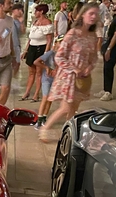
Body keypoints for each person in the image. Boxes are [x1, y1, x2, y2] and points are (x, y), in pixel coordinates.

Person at [39, 3, 98, 142]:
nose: (94, 17)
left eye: (96, 14)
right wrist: (74, 69)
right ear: (83, 14)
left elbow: (94, 56)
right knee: (66, 107)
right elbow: (59, 56)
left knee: (73, 109)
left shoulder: (92, 36)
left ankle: (68, 134)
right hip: (68, 77)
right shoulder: (72, 34)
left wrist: (89, 67)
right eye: (91, 13)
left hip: (83, 78)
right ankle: (45, 129)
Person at [95, 0, 116, 101]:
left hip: (113, 48)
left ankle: (108, 92)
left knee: (109, 69)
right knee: (106, 68)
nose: (113, 5)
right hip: (109, 45)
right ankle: (105, 89)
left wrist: (109, 49)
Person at [20, 4, 53, 102]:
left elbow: (49, 40)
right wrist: (26, 50)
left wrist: (45, 54)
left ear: (41, 12)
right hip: (32, 48)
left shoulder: (47, 23)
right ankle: (27, 92)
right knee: (31, 72)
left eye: (36, 11)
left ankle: (36, 94)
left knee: (39, 72)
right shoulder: (35, 22)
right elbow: (30, 38)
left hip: (41, 48)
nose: (35, 13)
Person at [34, 35, 62, 128]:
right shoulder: (50, 53)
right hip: (47, 78)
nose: (62, 44)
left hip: (56, 79)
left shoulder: (64, 55)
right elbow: (36, 62)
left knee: (50, 98)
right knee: (45, 97)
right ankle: (39, 118)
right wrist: (46, 67)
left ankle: (44, 117)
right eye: (60, 42)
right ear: (56, 43)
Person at [10, 3, 25, 75]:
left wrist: (21, 22)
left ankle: (13, 77)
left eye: (21, 10)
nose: (20, 11)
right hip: (9, 44)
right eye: (18, 10)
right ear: (13, 10)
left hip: (16, 44)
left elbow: (23, 32)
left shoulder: (19, 21)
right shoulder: (8, 19)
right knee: (10, 63)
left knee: (17, 63)